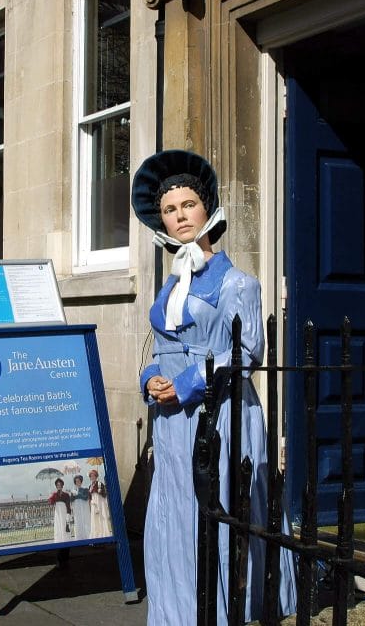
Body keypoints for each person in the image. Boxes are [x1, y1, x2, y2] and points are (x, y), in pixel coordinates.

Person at [131, 150, 297, 625]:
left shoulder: (237, 283)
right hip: (170, 424)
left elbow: (244, 356)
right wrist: (150, 378)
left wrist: (183, 384)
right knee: (175, 521)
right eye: (169, 209)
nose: (179, 215)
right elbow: (156, 346)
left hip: (219, 415)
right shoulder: (170, 285)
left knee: (219, 516)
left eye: (188, 205)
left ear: (207, 209)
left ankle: (228, 613)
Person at [87, 468, 112, 538]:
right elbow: (89, 496)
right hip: (93, 504)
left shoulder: (100, 484)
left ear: (96, 476)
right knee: (95, 519)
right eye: (91, 476)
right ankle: (96, 534)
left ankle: (103, 533)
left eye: (94, 476)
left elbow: (104, 495)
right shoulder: (90, 486)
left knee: (101, 517)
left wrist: (100, 491)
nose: (92, 477)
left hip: (100, 502)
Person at [48, 478, 72, 542]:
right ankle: (59, 540)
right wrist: (50, 498)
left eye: (60, 485)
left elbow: (68, 505)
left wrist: (68, 514)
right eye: (57, 485)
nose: (59, 486)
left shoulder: (66, 495)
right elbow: (51, 503)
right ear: (56, 486)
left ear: (62, 486)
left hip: (64, 511)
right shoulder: (54, 494)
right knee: (58, 525)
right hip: (58, 512)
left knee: (64, 524)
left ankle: (66, 539)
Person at [70, 474, 91, 540]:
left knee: (85, 521)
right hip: (77, 509)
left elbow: (86, 498)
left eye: (78, 481)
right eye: (76, 481)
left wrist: (78, 494)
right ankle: (79, 537)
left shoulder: (85, 489)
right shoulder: (73, 490)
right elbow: (71, 500)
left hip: (84, 508)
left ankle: (87, 536)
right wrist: (73, 494)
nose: (77, 482)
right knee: (78, 522)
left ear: (81, 481)